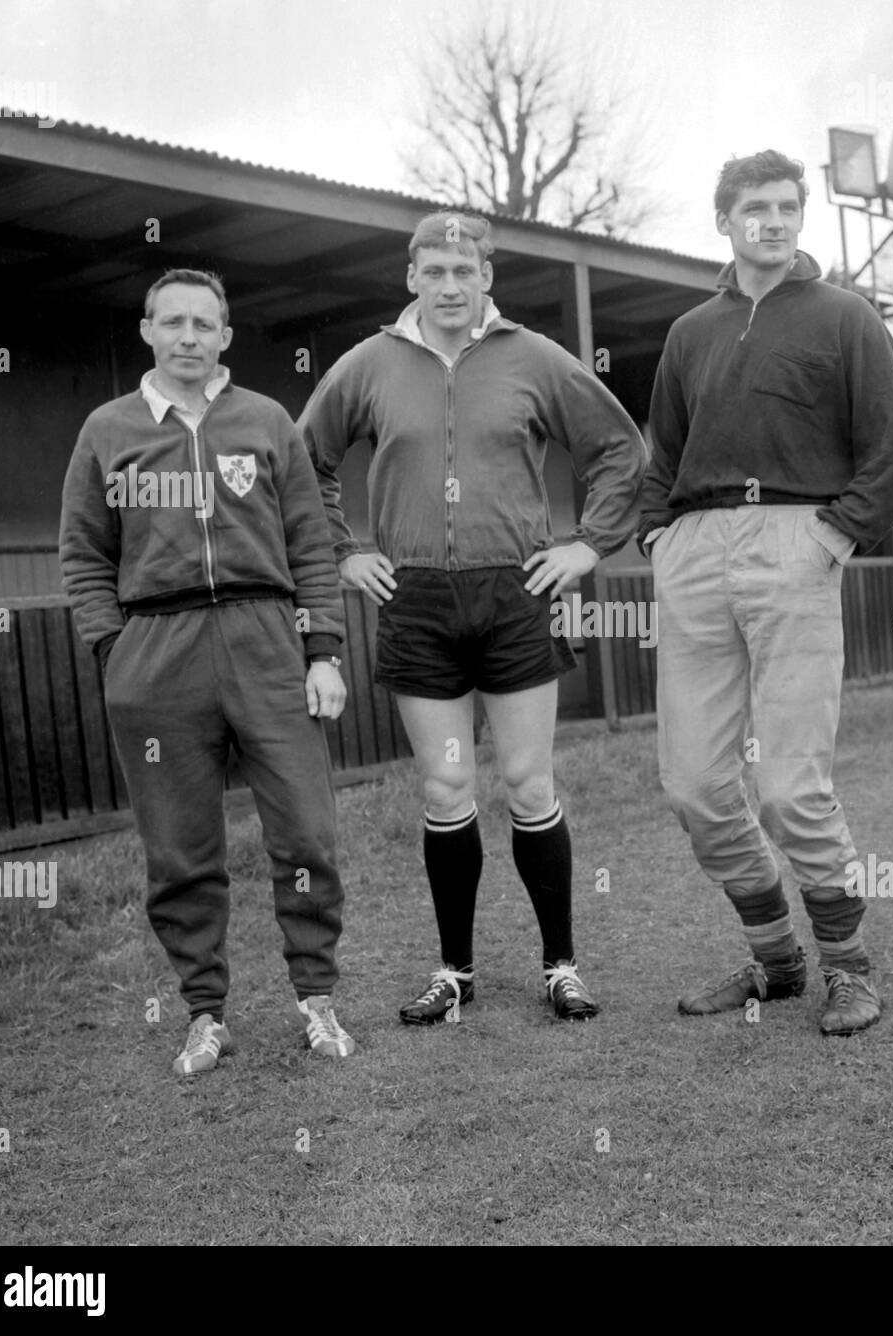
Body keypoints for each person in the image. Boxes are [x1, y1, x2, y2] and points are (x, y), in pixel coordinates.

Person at [298, 212, 646, 1024]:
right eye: (435, 270)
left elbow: (618, 449)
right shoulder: (370, 364)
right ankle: (455, 971)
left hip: (515, 596)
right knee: (448, 784)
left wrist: (588, 547)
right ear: (411, 277)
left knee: (528, 782)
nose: (450, 285)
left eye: (465, 269)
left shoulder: (533, 358)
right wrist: (346, 549)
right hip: (415, 601)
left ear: (488, 276)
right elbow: (302, 459)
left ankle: (560, 965)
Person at [639, 150, 893, 1035]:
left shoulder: (845, 317)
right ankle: (777, 962)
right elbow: (662, 455)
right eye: (755, 207)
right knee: (693, 784)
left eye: (788, 206)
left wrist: (835, 533)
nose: (774, 220)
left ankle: (849, 969)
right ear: (723, 219)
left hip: (796, 540)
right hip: (696, 549)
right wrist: (660, 537)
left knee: (791, 786)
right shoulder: (690, 331)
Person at [60, 268, 355, 1076]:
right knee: (180, 847)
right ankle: (204, 1011)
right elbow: (83, 554)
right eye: (173, 322)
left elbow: (311, 545)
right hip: (157, 650)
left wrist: (323, 649)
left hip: (266, 640)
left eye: (204, 323)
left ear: (225, 336)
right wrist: (114, 653)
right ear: (148, 331)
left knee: (305, 829)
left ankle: (316, 997)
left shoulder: (265, 421)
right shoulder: (108, 430)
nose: (188, 336)